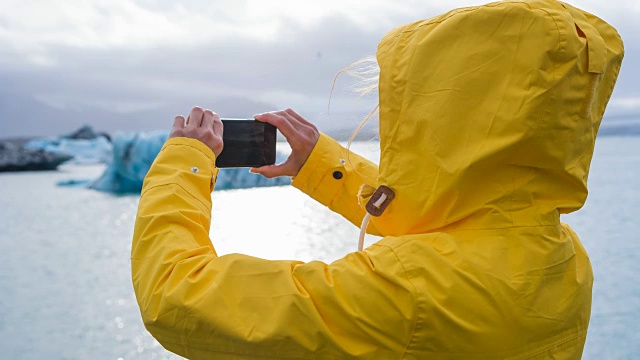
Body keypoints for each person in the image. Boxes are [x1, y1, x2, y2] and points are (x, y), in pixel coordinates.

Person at [131, 1, 623, 358]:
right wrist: (325, 167)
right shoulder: (563, 254)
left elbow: (179, 297)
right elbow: (457, 222)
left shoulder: (408, 291)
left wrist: (184, 164)